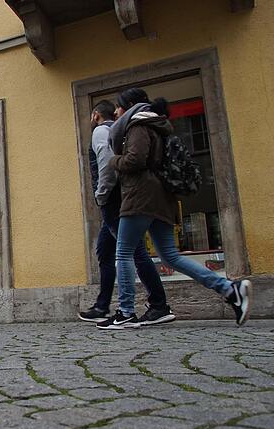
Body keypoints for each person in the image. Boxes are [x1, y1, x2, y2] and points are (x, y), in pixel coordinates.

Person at [97, 88, 252, 329]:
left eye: (118, 106)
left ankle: (125, 312)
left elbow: (135, 160)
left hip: (141, 196)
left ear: (129, 107)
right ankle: (230, 289)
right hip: (161, 197)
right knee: (171, 256)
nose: (116, 111)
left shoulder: (138, 125)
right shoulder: (157, 125)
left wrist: (113, 160)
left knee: (123, 252)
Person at [79, 100, 175, 326]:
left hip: (112, 199)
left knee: (134, 252)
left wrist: (101, 194)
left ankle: (158, 304)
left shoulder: (101, 131)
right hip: (119, 198)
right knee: (105, 250)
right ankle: (102, 305)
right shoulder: (120, 130)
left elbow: (106, 164)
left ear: (95, 115)